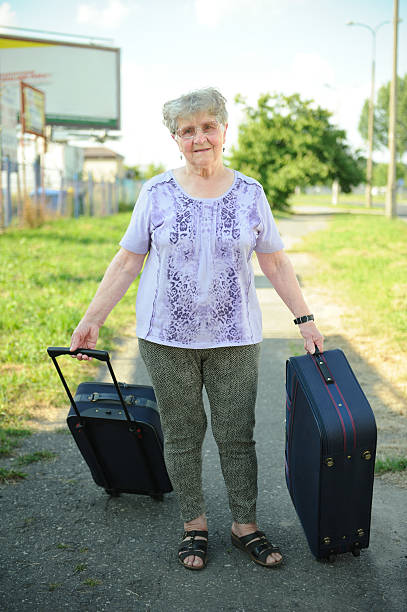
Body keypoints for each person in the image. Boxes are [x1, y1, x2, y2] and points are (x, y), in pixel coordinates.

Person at [70, 87, 324, 571]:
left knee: (236, 435)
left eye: (208, 126)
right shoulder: (156, 192)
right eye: (188, 130)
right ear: (176, 139)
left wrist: (305, 320)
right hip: (166, 338)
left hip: (236, 337)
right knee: (183, 435)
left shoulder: (251, 193)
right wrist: (92, 319)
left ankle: (243, 525)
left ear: (225, 130)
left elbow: (273, 259)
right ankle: (194, 524)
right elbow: (128, 260)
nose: (200, 137)